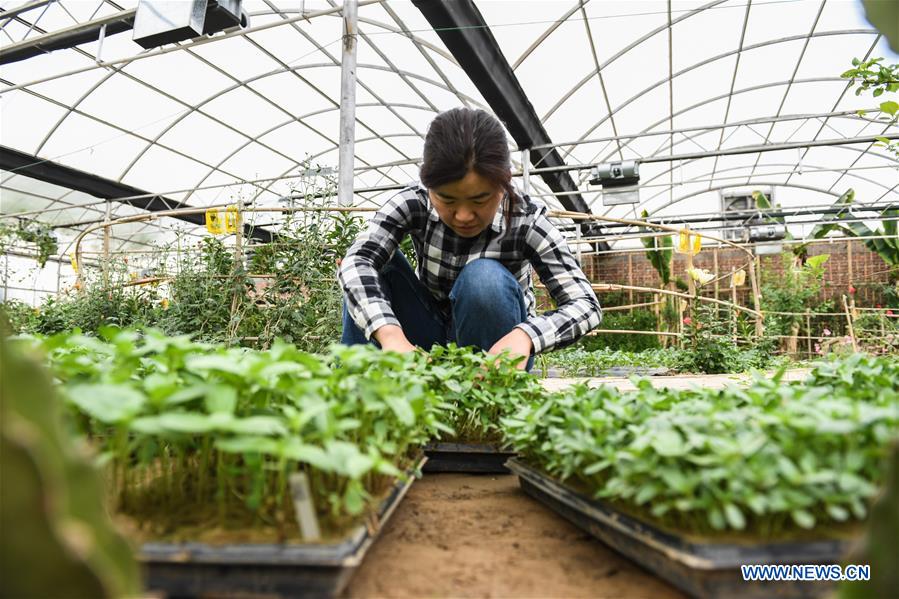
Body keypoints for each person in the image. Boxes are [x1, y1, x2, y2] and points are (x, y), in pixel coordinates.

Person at [337, 107, 601, 370]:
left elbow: (585, 305)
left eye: (479, 199)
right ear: (428, 185)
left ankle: (491, 399)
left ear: (504, 182)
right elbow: (358, 261)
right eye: (447, 199)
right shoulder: (413, 202)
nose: (463, 215)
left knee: (484, 279)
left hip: (498, 346)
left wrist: (526, 336)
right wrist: (390, 334)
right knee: (373, 266)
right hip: (426, 337)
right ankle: (358, 397)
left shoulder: (526, 219)